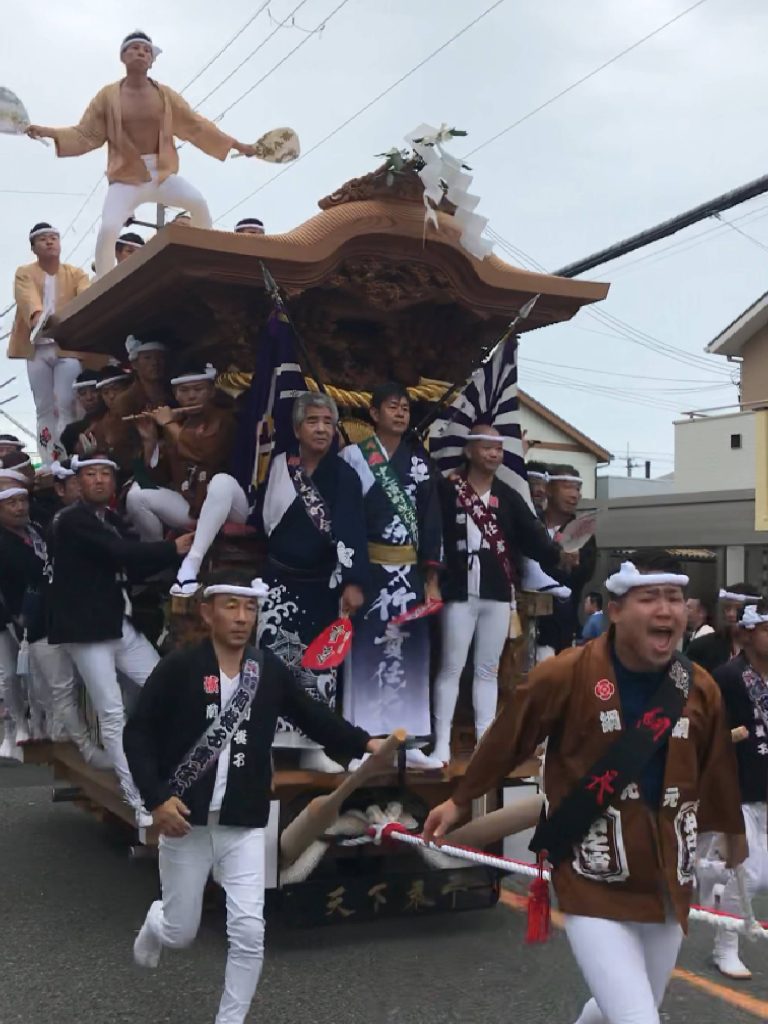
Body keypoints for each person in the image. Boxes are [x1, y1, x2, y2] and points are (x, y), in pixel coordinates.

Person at [424, 552, 746, 1024]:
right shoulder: (567, 673)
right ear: (615, 611)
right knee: (637, 1018)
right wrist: (460, 799)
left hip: (666, 879)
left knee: (629, 1007)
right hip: (592, 876)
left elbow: (718, 769)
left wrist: (732, 837)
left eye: (675, 598)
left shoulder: (698, 687)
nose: (666, 610)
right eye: (649, 598)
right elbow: (509, 737)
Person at [124, 570, 383, 1024]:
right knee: (181, 932)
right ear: (208, 613)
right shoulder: (180, 668)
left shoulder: (268, 671)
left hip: (244, 824)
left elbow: (312, 715)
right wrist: (157, 799)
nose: (242, 618)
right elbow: (138, 734)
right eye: (231, 606)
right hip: (186, 823)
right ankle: (156, 921)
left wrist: (365, 743)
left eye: (250, 608)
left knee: (248, 932)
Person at [27, 31, 261, 277]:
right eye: (135, 48)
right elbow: (86, 133)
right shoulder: (107, 96)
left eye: (146, 50)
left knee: (198, 204)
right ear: (123, 56)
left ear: (151, 60)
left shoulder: (165, 95)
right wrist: (49, 132)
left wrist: (239, 146)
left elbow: (197, 126)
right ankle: (105, 284)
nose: (141, 52)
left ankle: (205, 262)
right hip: (126, 177)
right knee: (108, 229)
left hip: (162, 173)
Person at [47, 453, 193, 822]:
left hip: (118, 623)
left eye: (105, 474)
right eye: (90, 474)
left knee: (165, 685)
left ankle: (166, 772)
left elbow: (134, 557)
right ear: (77, 483)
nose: (98, 480)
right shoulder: (72, 520)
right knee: (112, 714)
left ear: (114, 483)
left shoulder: (110, 519)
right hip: (86, 631)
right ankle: (141, 800)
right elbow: (122, 552)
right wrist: (173, 548)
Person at [432, 424, 564, 764]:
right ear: (469, 450)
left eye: (498, 448)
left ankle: (485, 742)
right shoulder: (448, 489)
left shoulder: (508, 495)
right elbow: (433, 533)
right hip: (458, 589)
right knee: (450, 667)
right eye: (486, 447)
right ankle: (441, 743)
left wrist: (560, 552)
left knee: (487, 670)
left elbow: (534, 537)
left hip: (497, 590)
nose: (494, 453)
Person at [258, 392, 368, 772]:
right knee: (272, 663)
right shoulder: (278, 467)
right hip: (279, 582)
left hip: (322, 585)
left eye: (327, 422)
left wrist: (353, 581)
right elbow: (265, 518)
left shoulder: (344, 476)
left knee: (318, 667)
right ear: (297, 429)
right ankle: (264, 743)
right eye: (312, 421)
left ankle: (314, 746)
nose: (321, 429)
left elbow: (352, 531)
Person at [340, 382, 444, 769]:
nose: (400, 414)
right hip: (370, 574)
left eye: (405, 408)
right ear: (374, 413)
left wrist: (431, 580)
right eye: (392, 407)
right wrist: (351, 578)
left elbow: (432, 522)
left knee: (409, 655)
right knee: (365, 656)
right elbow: (347, 519)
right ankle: (361, 743)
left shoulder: (419, 463)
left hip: (409, 577)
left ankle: (409, 741)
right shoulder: (354, 457)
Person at [0, 484, 109, 765]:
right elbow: (32, 573)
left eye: (23, 500)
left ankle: (65, 736)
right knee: (57, 686)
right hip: (33, 622)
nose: (20, 508)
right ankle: (78, 746)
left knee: (75, 681)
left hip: (63, 613)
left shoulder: (36, 530)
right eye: (11, 503)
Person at [125, 362, 247, 596]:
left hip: (229, 506)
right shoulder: (179, 424)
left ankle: (192, 563)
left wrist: (169, 424)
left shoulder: (224, 419)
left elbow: (205, 452)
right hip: (193, 505)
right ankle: (158, 560)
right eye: (184, 391)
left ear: (211, 391)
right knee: (137, 495)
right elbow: (156, 478)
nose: (191, 396)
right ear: (175, 395)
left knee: (221, 482)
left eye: (198, 389)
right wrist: (150, 441)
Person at [7, 223, 101, 464]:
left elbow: (86, 295)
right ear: (33, 248)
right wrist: (38, 317)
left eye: (53, 238)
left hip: (66, 345)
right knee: (44, 407)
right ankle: (51, 461)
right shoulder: (24, 273)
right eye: (43, 239)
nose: (49, 242)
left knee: (68, 402)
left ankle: (71, 454)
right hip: (36, 348)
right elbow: (27, 297)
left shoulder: (75, 273)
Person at [710, 599, 768, 979]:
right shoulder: (728, 677)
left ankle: (716, 880)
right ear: (746, 634)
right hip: (740, 785)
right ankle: (725, 946)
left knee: (757, 874)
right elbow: (708, 730)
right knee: (750, 873)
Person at [538, 465, 597, 654]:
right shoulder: (531, 523)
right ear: (548, 489)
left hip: (561, 623)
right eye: (567, 487)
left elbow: (583, 575)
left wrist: (571, 565)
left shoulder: (583, 531)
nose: (573, 495)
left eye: (577, 489)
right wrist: (558, 560)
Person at [686, 584, 761, 674]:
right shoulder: (702, 647)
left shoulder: (763, 649)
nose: (730, 614)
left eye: (738, 608)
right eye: (727, 608)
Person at [59, 369, 105, 456]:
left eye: (94, 391)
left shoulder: (118, 421)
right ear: (78, 397)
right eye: (83, 393)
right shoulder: (70, 433)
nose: (89, 397)